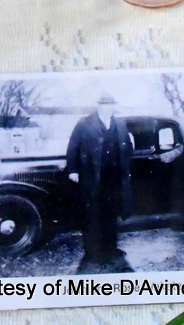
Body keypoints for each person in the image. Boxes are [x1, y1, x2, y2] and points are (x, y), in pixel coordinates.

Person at [65, 92, 134, 272]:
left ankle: (111, 249)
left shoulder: (120, 124)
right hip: (92, 178)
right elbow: (72, 148)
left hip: (114, 179)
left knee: (111, 215)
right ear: (98, 106)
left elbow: (128, 147)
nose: (107, 108)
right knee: (92, 216)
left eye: (110, 105)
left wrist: (125, 166)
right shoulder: (84, 123)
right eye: (104, 104)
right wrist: (73, 170)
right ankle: (92, 253)